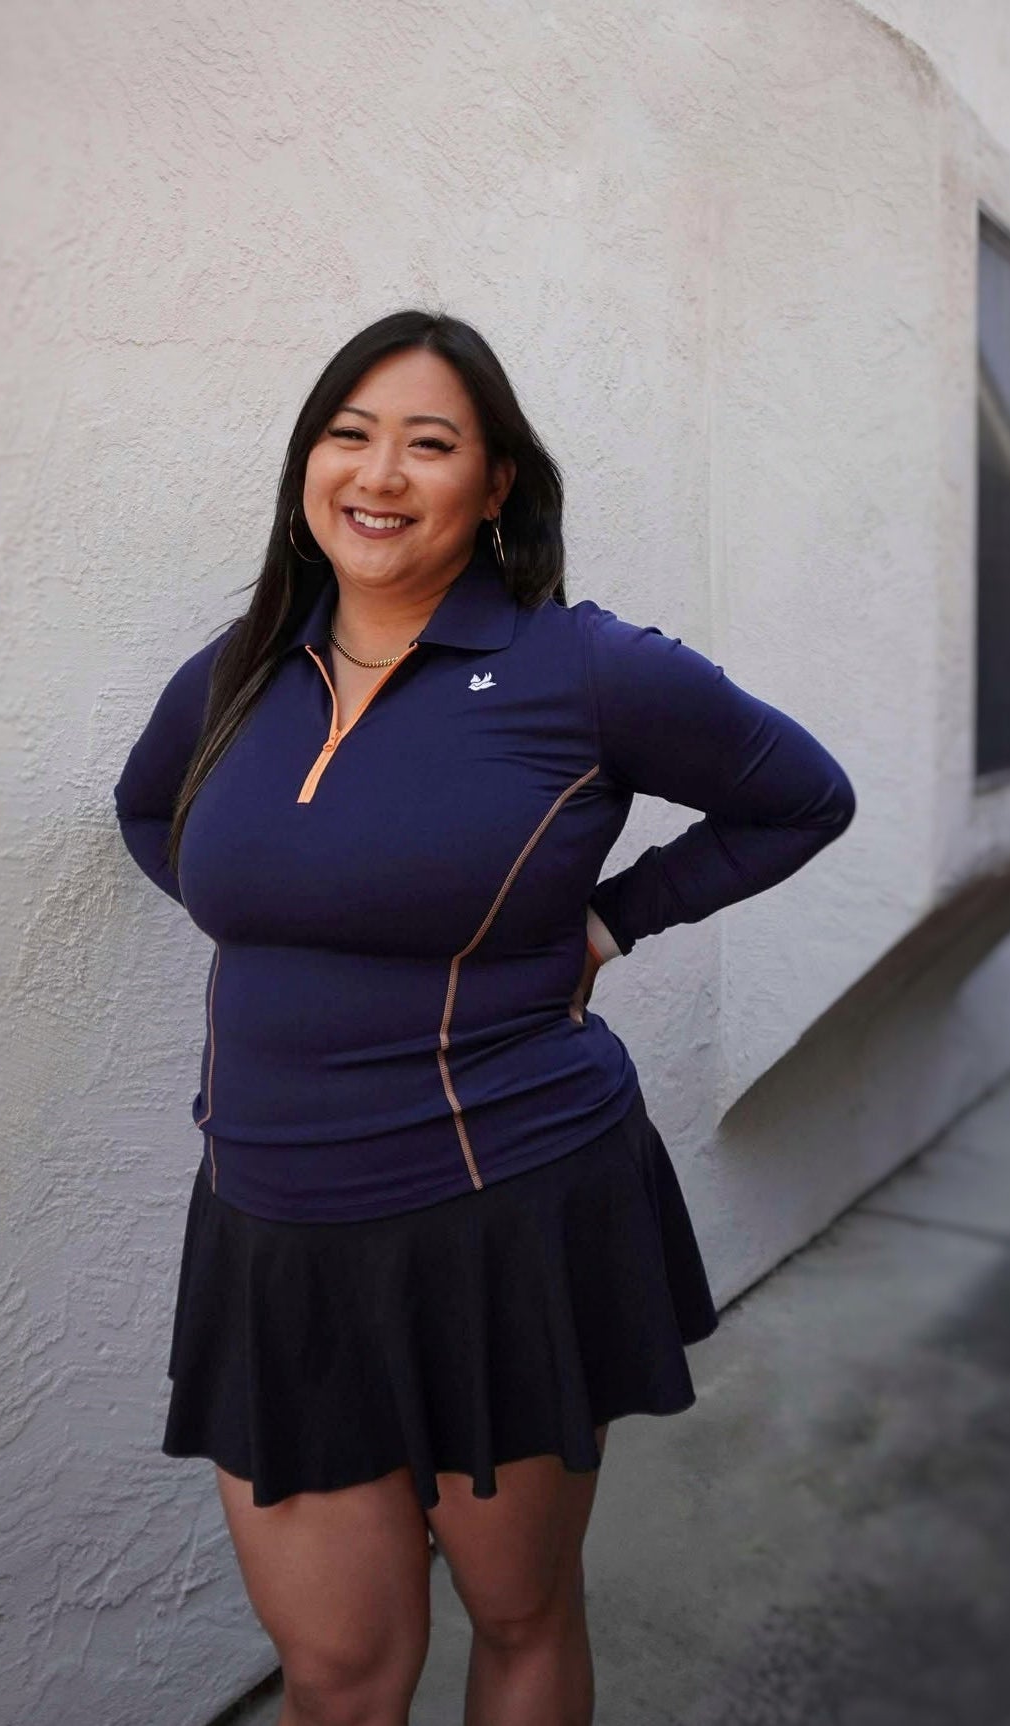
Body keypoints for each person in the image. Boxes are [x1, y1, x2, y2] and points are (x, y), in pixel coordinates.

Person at [112, 308, 857, 1726]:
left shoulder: (577, 670)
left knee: (516, 1613)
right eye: (348, 434)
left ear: (494, 483)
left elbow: (798, 797)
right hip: (273, 1230)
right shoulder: (244, 667)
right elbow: (151, 806)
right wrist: (268, 903)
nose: (378, 474)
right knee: (339, 1670)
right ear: (304, 467)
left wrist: (613, 916)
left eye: (428, 444)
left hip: (504, 1213)